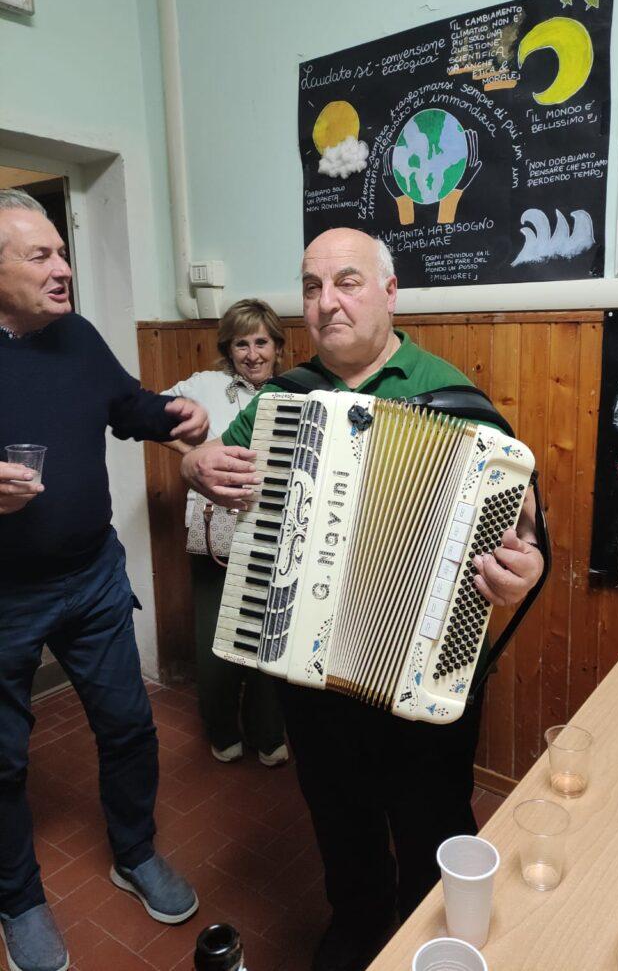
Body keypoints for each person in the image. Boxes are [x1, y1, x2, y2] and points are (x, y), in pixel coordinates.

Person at [180, 228, 545, 971]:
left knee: (432, 817)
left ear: (389, 292)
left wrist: (527, 565)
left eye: (346, 281)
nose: (326, 302)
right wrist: (195, 464)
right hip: (307, 672)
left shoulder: (454, 397)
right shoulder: (282, 398)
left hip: (424, 668)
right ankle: (357, 921)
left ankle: (430, 938)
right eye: (311, 287)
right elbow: (214, 462)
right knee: (336, 813)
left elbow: (527, 527)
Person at [0, 189, 209, 971]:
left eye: (63, 251)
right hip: (4, 599)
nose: (64, 268)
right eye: (41, 256)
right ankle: (18, 897)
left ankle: (135, 851)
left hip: (91, 579)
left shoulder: (78, 337)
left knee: (128, 725)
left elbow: (128, 406)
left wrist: (176, 413)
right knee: (3, 761)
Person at [161, 299, 289, 766]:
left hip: (275, 527)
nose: (253, 354)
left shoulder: (295, 389)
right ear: (228, 349)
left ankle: (267, 732)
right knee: (216, 638)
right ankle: (220, 729)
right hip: (215, 525)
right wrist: (191, 456)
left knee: (270, 633)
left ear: (277, 347)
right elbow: (150, 414)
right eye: (241, 344)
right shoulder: (204, 385)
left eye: (261, 342)